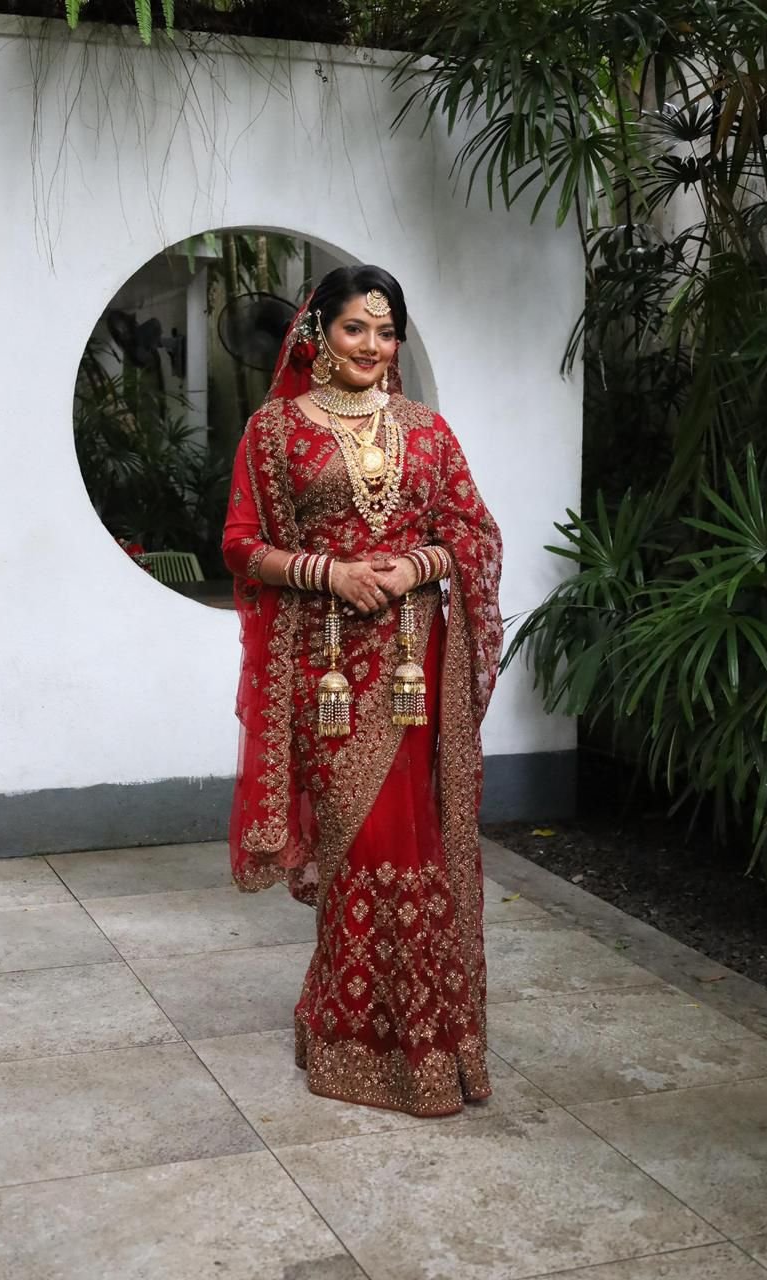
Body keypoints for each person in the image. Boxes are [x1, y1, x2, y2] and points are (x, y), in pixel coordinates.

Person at [222, 264, 503, 1117]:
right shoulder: (275, 431)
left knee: (417, 840)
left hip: (417, 666)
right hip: (327, 665)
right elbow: (241, 544)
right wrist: (330, 572)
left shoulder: (428, 431)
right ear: (318, 333)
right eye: (355, 328)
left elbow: (472, 533)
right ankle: (349, 1035)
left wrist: (414, 566)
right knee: (361, 837)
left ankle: (429, 1040)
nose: (372, 346)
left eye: (386, 332)